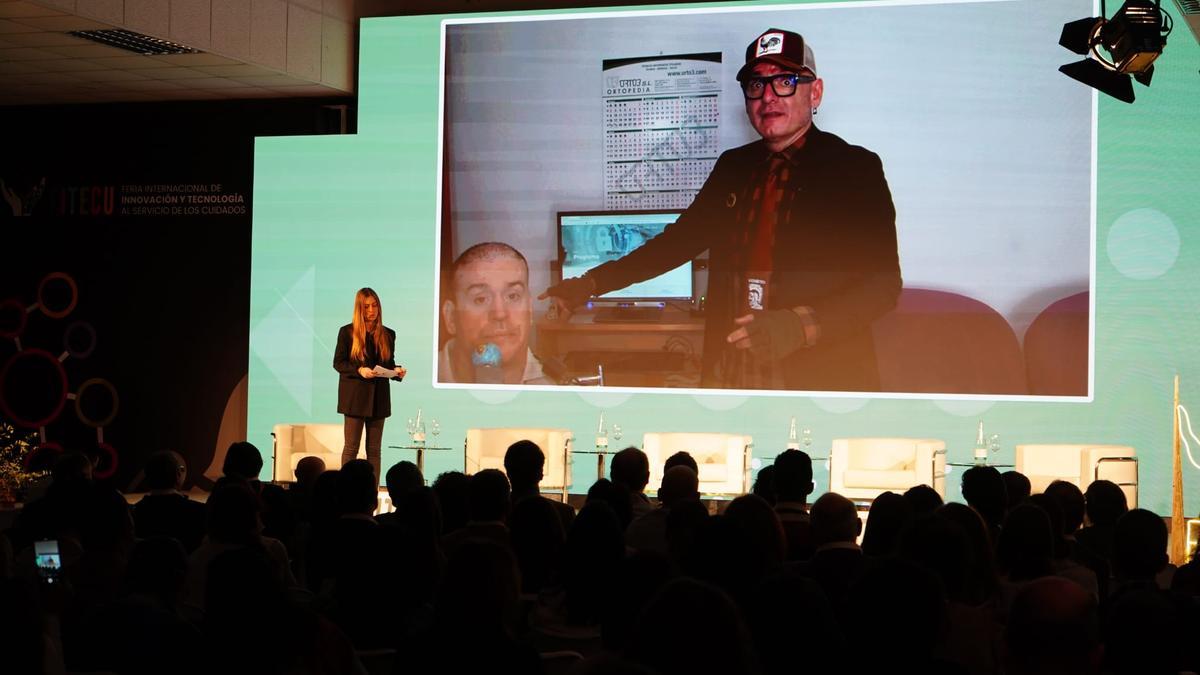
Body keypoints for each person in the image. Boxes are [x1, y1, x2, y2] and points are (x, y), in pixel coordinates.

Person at [542, 28, 900, 391]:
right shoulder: (734, 167)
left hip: (820, 374)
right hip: (734, 367)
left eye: (786, 81)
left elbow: (883, 284)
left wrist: (801, 324)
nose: (769, 97)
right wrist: (592, 283)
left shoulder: (855, 168)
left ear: (815, 91)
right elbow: (677, 242)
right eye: (756, 85)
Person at [439, 242, 552, 384]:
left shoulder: (559, 389)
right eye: (480, 299)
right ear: (450, 317)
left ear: (529, 310)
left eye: (513, 296)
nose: (500, 314)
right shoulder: (414, 377)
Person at [333, 287, 406, 480]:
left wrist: (397, 371)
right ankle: (345, 492)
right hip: (355, 397)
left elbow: (387, 364)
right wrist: (359, 370)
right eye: (366, 307)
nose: (371, 310)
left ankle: (370, 495)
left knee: (374, 450)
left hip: (379, 398)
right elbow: (338, 363)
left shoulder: (388, 334)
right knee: (351, 448)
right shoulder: (347, 332)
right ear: (359, 309)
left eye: (374, 306)